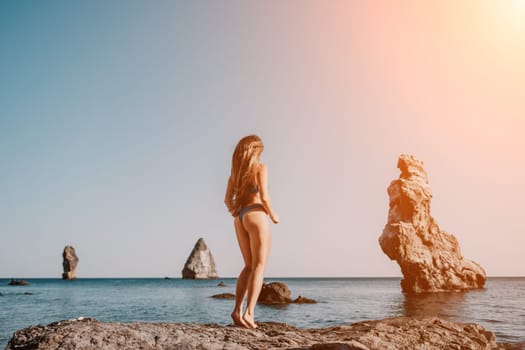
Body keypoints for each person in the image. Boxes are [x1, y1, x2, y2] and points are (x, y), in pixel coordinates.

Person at [224, 134, 279, 329]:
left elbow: (227, 200)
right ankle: (249, 313)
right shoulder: (260, 168)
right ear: (255, 152)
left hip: (240, 218)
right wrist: (273, 215)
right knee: (259, 265)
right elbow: (264, 196)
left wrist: (236, 211)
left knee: (248, 265)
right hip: (256, 214)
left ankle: (237, 310)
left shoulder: (235, 175)